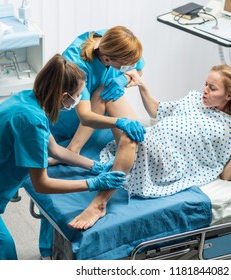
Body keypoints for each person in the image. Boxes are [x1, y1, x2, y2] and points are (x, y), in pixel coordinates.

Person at [0, 54, 126, 260]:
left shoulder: (30, 100)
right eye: (76, 95)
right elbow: (42, 184)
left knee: (5, 251)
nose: (78, 100)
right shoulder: (32, 121)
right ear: (63, 95)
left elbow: (55, 150)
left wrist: (94, 166)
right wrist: (93, 183)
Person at [69, 64, 231, 230]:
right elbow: (156, 110)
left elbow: (226, 175)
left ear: (229, 95)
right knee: (106, 92)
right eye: (206, 84)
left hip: (164, 162)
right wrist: (142, 86)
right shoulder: (194, 99)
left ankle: (99, 205)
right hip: (150, 139)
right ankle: (73, 150)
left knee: (129, 138)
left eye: (212, 88)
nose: (205, 90)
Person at [38, 26, 146, 260]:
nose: (127, 68)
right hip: (67, 118)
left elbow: (138, 68)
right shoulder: (78, 64)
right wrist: (120, 121)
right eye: (120, 66)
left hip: (96, 116)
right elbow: (85, 116)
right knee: (59, 185)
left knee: (109, 101)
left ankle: (76, 155)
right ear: (106, 59)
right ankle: (48, 252)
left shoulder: (112, 38)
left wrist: (124, 77)